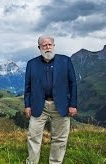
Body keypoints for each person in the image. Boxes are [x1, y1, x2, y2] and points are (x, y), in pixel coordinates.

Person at [24, 35, 77, 164]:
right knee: (33, 136)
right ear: (39, 47)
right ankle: (32, 162)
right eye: (44, 45)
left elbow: (73, 83)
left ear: (53, 46)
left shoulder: (65, 61)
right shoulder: (31, 64)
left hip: (61, 105)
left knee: (60, 138)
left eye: (49, 44)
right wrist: (27, 105)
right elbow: (28, 86)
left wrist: (73, 104)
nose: (47, 47)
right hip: (38, 105)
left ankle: (55, 162)